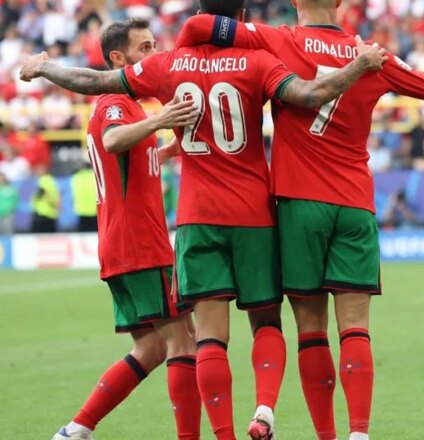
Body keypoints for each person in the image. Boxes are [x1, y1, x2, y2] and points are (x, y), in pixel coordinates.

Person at [19, 2, 389, 439]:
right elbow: (310, 95)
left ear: (200, 11)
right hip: (252, 211)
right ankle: (265, 408)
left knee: (208, 340)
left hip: (197, 216)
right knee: (266, 323)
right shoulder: (259, 60)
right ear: (242, 14)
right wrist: (360, 65)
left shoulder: (168, 64)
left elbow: (92, 80)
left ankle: (222, 435)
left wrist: (45, 69)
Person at [174, 7, 424, 440]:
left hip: (298, 201)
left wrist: (179, 60)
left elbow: (198, 25)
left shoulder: (277, 39)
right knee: (356, 329)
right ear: (340, 4)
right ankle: (359, 434)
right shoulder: (371, 54)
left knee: (310, 330)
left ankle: (325, 435)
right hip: (354, 202)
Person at [48, 18, 202, 440]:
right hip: (140, 243)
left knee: (150, 348)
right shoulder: (116, 101)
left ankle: (77, 429)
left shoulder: (130, 107)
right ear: (119, 58)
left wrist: (168, 147)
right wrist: (162, 119)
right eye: (145, 48)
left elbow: (131, 160)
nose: (154, 55)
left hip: (121, 244)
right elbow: (114, 141)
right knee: (184, 340)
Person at [30, 165, 60, 233]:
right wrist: (56, 205)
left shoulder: (43, 180)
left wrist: (33, 201)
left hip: (42, 213)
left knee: (38, 236)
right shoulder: (52, 180)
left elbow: (43, 192)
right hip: (52, 213)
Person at [70, 162, 98, 232]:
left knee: (83, 235)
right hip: (94, 211)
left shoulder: (75, 177)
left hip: (80, 210)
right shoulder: (95, 176)